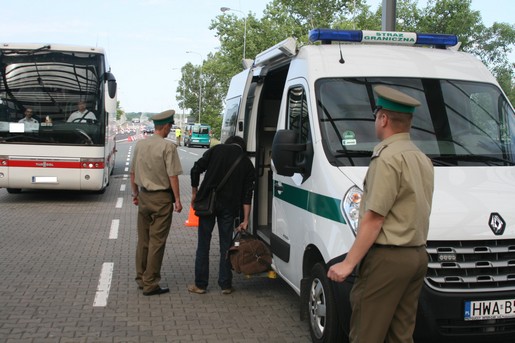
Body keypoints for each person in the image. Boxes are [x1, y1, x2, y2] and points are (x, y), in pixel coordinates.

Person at [327, 86, 434, 343]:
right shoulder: (421, 158)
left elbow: (375, 218)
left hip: (388, 260)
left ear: (383, 119)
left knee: (367, 333)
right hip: (417, 255)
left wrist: (348, 263)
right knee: (400, 334)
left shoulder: (386, 158)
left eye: (377, 117)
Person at [188, 136, 255, 295]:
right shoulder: (246, 163)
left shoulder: (216, 150)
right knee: (226, 245)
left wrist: (194, 192)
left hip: (208, 205)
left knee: (203, 244)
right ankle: (225, 284)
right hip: (229, 208)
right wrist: (245, 220)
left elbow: (195, 169)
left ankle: (200, 285)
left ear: (228, 143)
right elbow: (247, 195)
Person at [130, 109, 183, 296]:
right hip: (161, 199)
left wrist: (135, 193)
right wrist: (177, 199)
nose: (170, 129)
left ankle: (141, 278)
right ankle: (151, 283)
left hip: (144, 197)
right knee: (157, 242)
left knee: (143, 240)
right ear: (166, 126)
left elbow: (133, 173)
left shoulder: (140, 145)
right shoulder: (168, 147)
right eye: (170, 126)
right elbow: (172, 176)